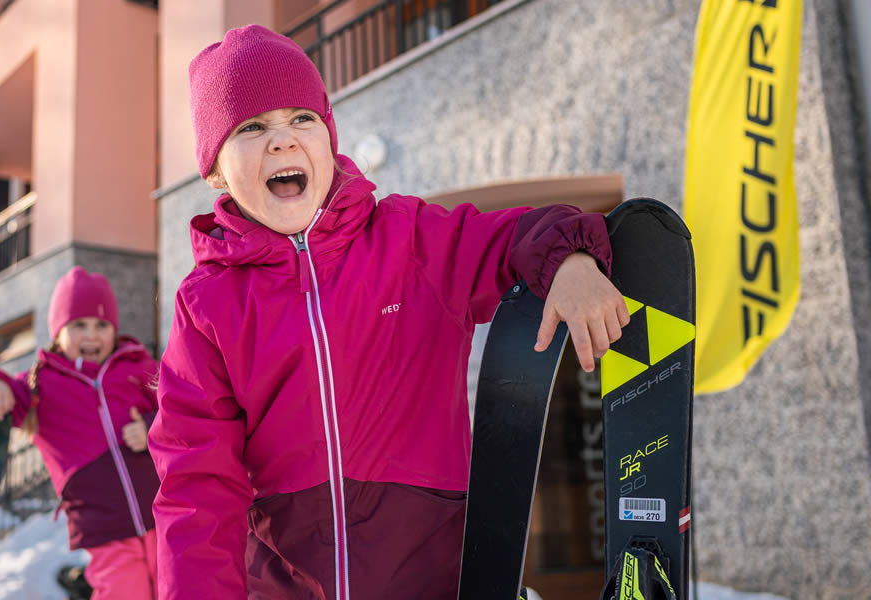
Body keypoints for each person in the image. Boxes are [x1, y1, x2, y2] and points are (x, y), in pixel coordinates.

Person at [148, 25, 628, 599]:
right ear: (216, 174)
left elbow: (507, 237)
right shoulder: (208, 306)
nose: (282, 142)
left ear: (329, 138)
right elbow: (196, 488)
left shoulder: (409, 241)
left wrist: (568, 258)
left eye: (302, 119)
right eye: (252, 128)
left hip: (433, 575)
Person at [0, 266, 160, 599]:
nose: (92, 335)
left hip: (163, 511)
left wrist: (152, 430)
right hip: (104, 528)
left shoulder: (137, 366)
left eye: (102, 325)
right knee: (125, 591)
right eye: (78, 325)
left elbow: (181, 408)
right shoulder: (43, 385)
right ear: (57, 331)